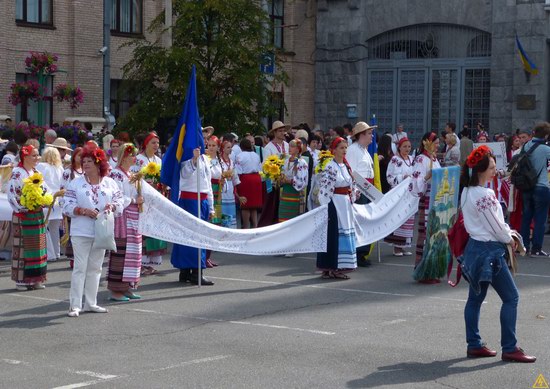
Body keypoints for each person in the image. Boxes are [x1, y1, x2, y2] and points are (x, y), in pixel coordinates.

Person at [459, 145, 536, 363]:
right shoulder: (485, 194)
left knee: (475, 299)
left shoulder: (467, 191)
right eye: (492, 167)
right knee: (511, 297)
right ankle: (510, 347)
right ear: (482, 170)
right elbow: (497, 227)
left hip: (475, 247)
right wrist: (511, 238)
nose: (496, 170)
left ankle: (474, 344)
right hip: (489, 250)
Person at [63, 145, 123, 317]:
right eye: (84, 161)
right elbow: (66, 205)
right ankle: (75, 305)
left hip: (101, 231)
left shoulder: (110, 183)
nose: (86, 164)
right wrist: (82, 211)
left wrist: (112, 206)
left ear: (99, 164)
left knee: (95, 268)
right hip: (81, 231)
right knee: (80, 268)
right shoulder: (76, 183)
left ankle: (91, 303)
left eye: (90, 161)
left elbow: (120, 202)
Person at [171, 147, 215, 286]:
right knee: (192, 236)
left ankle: (189, 271)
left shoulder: (205, 159)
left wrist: (211, 206)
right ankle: (193, 271)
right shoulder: (185, 158)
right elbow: (184, 174)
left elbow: (207, 183)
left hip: (202, 200)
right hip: (189, 200)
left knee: (199, 235)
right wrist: (193, 160)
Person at [316, 137, 357, 279]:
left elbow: (351, 185)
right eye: (341, 148)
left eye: (346, 148)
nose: (344, 150)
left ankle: (335, 266)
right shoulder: (330, 167)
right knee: (332, 235)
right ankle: (332, 267)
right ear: (333, 150)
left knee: (342, 233)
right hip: (334, 203)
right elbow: (325, 189)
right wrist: (325, 207)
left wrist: (353, 194)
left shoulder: (346, 166)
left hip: (345, 204)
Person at [7, 145, 48, 291]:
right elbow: (12, 193)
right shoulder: (17, 173)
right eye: (34, 156)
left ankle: (35, 279)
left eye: (38, 155)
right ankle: (22, 281)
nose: (37, 158)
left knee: (38, 247)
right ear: (25, 157)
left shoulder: (36, 172)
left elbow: (45, 189)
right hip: (23, 215)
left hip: (36, 214)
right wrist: (24, 206)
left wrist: (44, 200)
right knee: (24, 247)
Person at [107, 143, 143, 301]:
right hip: (123, 217)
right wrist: (135, 199)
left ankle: (128, 286)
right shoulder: (116, 174)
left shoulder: (130, 174)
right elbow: (116, 196)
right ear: (125, 156)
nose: (135, 158)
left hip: (134, 218)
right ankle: (116, 290)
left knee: (133, 252)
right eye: (132, 155)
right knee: (122, 251)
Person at [132, 132, 166, 274]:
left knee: (153, 229)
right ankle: (140, 263)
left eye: (157, 143)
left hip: (155, 199)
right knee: (143, 229)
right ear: (146, 144)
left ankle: (150, 262)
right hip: (143, 198)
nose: (156, 145)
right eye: (153, 142)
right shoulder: (138, 160)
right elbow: (133, 178)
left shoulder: (158, 160)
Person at [410, 132, 441, 283]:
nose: (438, 145)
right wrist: (427, 177)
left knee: (435, 236)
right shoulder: (421, 159)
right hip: (427, 200)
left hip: (436, 201)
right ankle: (422, 271)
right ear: (426, 143)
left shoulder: (434, 159)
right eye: (435, 142)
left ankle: (432, 270)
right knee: (426, 235)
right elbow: (416, 186)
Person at [346, 121, 376, 267]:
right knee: (360, 222)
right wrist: (356, 191)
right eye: (369, 133)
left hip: (368, 189)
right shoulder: (353, 150)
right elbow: (351, 172)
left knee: (366, 221)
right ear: (361, 135)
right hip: (360, 190)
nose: (372, 136)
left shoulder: (364, 150)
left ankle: (363, 252)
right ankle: (357, 252)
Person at [519, 122, 550, 257]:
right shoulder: (546, 149)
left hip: (526, 186)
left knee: (526, 217)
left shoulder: (526, 145)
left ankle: (524, 246)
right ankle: (536, 248)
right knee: (540, 219)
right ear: (546, 135)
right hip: (541, 186)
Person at [384, 138, 415, 256]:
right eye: (404, 147)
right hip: (398, 194)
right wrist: (403, 177)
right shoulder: (395, 160)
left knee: (408, 220)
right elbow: (390, 176)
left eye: (409, 147)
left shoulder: (412, 159)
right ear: (399, 147)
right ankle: (396, 247)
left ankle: (404, 245)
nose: (407, 149)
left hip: (409, 194)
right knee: (399, 219)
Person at [37, 147, 64, 263]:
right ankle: (56, 252)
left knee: (44, 227)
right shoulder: (60, 168)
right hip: (58, 200)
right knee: (54, 229)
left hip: (47, 199)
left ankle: (50, 253)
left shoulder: (42, 166)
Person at [60, 147, 83, 268]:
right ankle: (73, 259)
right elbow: (62, 189)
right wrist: (63, 206)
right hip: (72, 208)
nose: (81, 158)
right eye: (79, 155)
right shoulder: (68, 172)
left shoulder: (87, 171)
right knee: (73, 234)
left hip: (84, 207)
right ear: (74, 157)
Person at [278, 139, 308, 223]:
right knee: (283, 218)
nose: (290, 148)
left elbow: (303, 180)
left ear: (298, 149)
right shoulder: (286, 161)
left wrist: (290, 181)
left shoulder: (302, 162)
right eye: (289, 146)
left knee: (292, 219)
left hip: (295, 194)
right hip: (284, 193)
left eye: (293, 146)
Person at [235, 138, 262, 228]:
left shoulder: (240, 156)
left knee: (245, 205)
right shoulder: (256, 155)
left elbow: (238, 171)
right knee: (254, 205)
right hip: (256, 179)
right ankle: (255, 225)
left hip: (246, 179)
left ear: (241, 147)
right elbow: (259, 168)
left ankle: (246, 226)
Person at [219, 139, 243, 229]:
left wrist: (238, 195)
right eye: (228, 147)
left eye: (231, 147)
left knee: (231, 211)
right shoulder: (219, 161)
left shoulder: (231, 162)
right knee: (223, 211)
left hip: (230, 191)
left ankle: (231, 230)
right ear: (223, 149)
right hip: (222, 189)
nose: (230, 149)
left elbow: (235, 179)